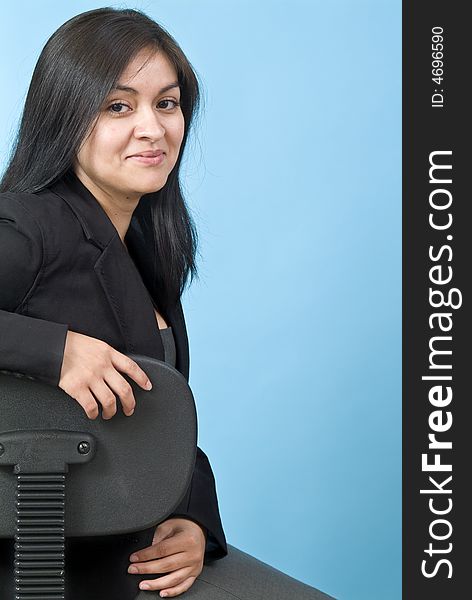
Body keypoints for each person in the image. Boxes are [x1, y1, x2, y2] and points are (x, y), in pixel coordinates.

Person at [0, 7, 333, 600]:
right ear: (65, 116)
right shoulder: (30, 225)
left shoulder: (146, 247)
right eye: (118, 106)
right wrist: (57, 352)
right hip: (44, 561)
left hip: (136, 549)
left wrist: (198, 524)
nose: (152, 128)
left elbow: (163, 416)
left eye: (168, 103)